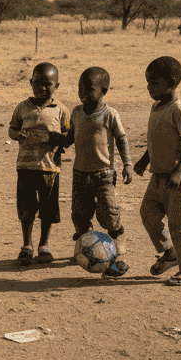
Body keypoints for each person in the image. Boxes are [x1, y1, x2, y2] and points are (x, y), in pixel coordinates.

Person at [133, 56, 181, 286]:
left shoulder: (178, 110)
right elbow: (156, 141)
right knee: (148, 213)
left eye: (153, 82)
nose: (148, 87)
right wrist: (143, 161)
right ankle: (169, 252)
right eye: (148, 82)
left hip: (178, 178)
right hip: (158, 175)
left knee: (179, 223)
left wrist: (178, 172)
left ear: (170, 83)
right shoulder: (156, 107)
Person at [62, 66, 132, 277]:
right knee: (79, 214)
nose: (83, 93)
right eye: (79, 88)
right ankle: (88, 248)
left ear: (104, 90)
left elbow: (121, 139)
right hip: (80, 174)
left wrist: (127, 164)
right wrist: (57, 146)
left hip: (104, 174)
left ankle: (118, 252)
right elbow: (70, 137)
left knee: (108, 213)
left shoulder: (110, 114)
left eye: (89, 89)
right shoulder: (76, 112)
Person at [8, 63, 71, 266]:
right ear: (30, 83)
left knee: (48, 208)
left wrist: (60, 138)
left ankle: (44, 246)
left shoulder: (61, 110)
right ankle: (26, 246)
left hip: (49, 168)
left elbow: (69, 135)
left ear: (57, 85)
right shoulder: (22, 107)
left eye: (47, 84)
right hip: (25, 166)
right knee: (26, 209)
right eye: (37, 83)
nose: (41, 88)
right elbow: (12, 130)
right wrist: (18, 135)